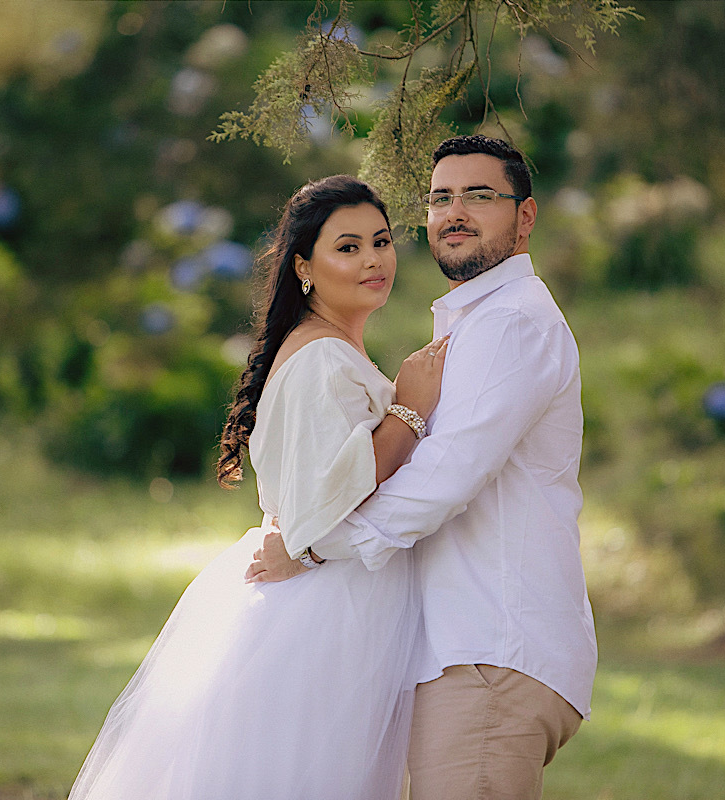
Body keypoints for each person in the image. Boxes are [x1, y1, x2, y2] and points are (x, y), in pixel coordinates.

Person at [68, 175, 449, 800]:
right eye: (347, 247)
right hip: (324, 604)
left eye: (381, 242)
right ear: (305, 266)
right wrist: (409, 412)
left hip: (341, 592)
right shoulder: (321, 359)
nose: (374, 259)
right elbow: (327, 498)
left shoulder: (332, 350)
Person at [248, 135, 598, 800]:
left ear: (525, 217)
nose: (455, 210)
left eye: (480, 196)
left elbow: (442, 481)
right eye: (442, 197)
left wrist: (314, 548)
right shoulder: (472, 323)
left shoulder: (513, 324)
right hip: (460, 655)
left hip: (492, 650)